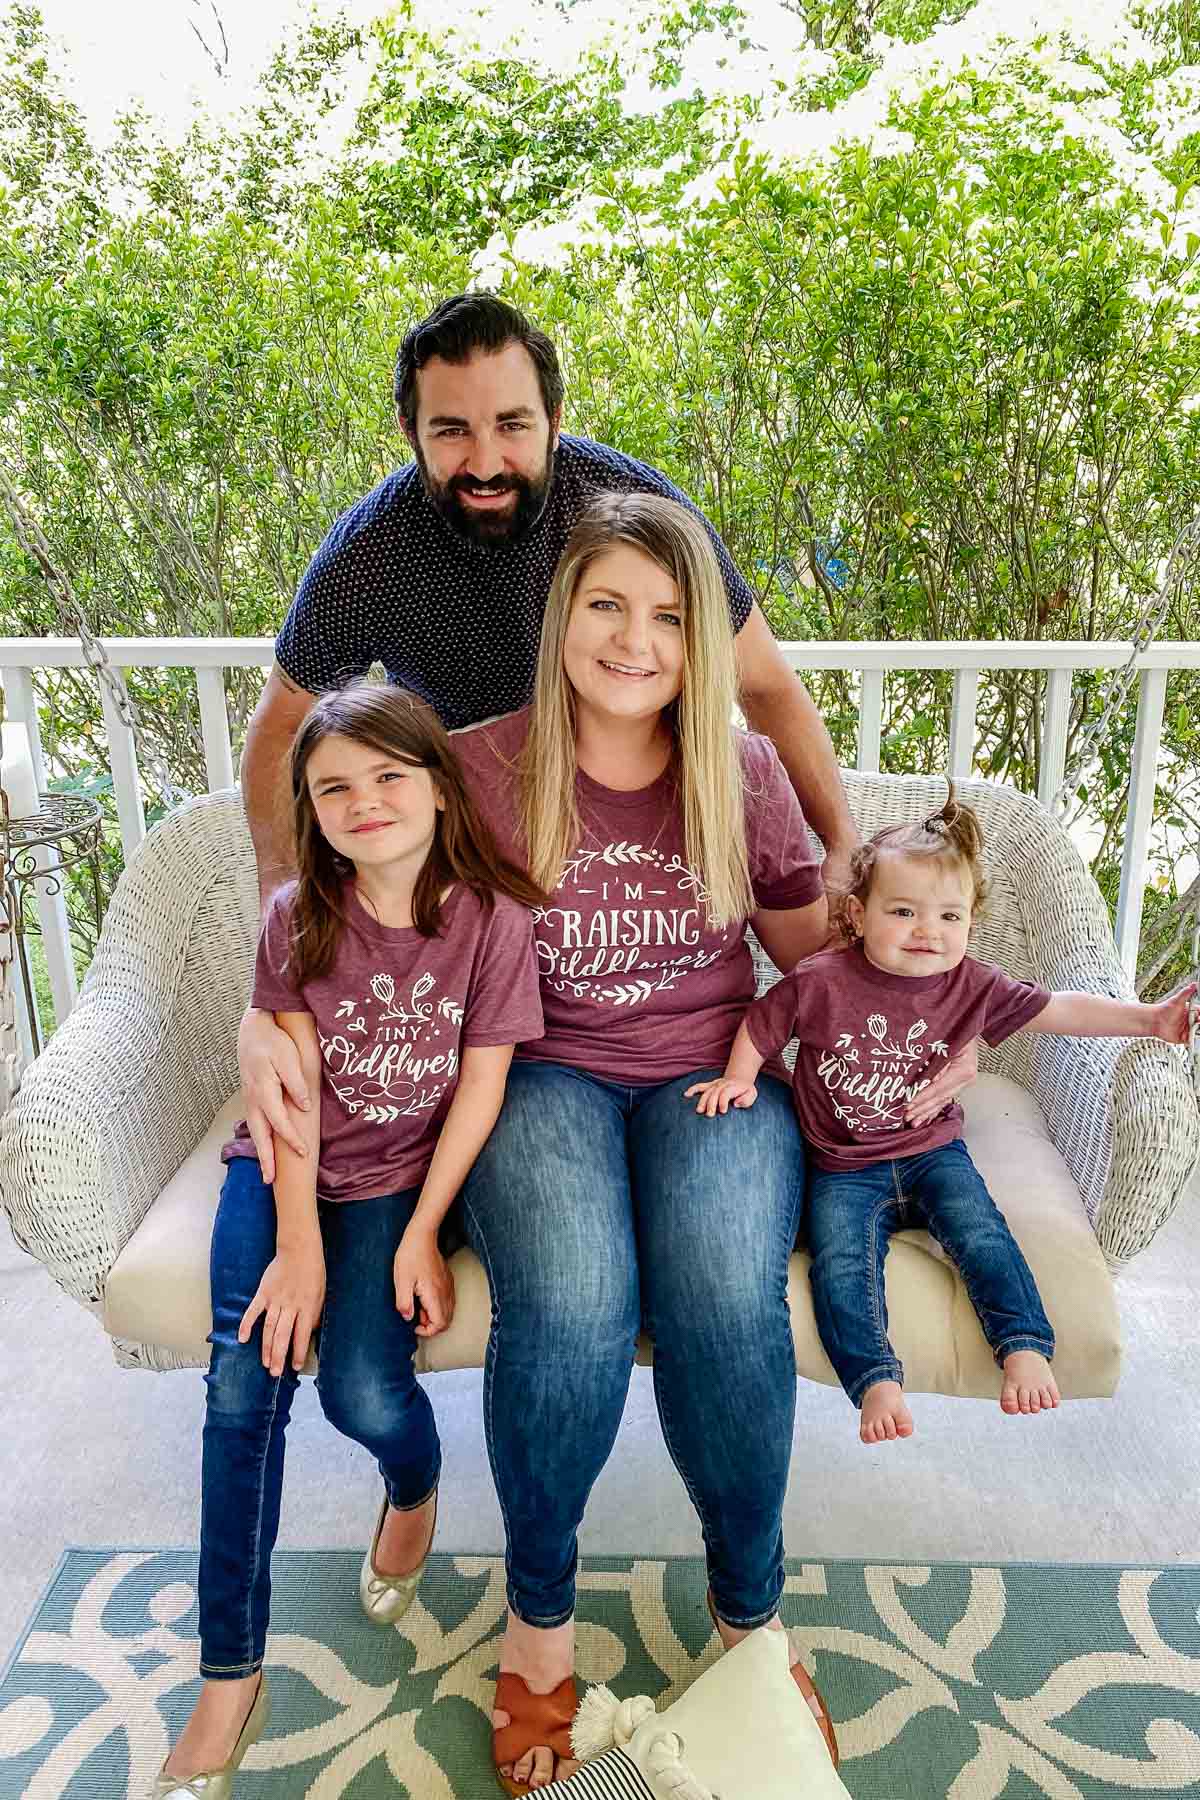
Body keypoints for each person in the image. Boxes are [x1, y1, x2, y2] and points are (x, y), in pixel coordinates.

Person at [239, 289, 977, 1169]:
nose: (485, 459)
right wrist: (280, 952)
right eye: (451, 432)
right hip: (494, 830)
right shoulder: (371, 552)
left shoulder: (629, 504)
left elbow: (769, 691)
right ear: (410, 431)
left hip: (647, 859)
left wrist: (845, 848)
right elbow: (282, 733)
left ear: (555, 417)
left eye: (512, 424)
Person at [445, 491, 835, 1793]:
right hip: (538, 1068)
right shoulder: (483, 769)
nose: (634, 638)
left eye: (670, 617)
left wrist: (931, 997)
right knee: (569, 1302)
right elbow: (396, 944)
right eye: (607, 602)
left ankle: (750, 1628)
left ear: (700, 646)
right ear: (562, 614)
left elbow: (804, 958)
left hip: (709, 1074)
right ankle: (540, 1630)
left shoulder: (744, 772)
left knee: (725, 1294)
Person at [155, 686, 544, 1798]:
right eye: (334, 788)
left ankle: (413, 1488)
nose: (363, 802)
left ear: (437, 785)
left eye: (388, 777)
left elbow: (482, 1087)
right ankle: (229, 1675)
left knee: (365, 1398)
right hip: (281, 1168)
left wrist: (423, 1229)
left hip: (397, 1187)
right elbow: (292, 1087)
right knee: (244, 1391)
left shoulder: (491, 921)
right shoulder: (298, 916)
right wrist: (297, 1243)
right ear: (311, 809)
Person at [687, 786, 1197, 1447]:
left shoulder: (972, 986)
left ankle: (1020, 1344)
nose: (928, 931)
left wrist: (1149, 1021)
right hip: (843, 1167)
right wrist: (738, 1077)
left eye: (950, 917)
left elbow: (1060, 1010)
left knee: (982, 1235)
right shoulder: (822, 980)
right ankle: (874, 1379)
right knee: (841, 1263)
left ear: (969, 925)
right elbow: (763, 1022)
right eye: (903, 911)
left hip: (934, 1154)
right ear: (857, 915)